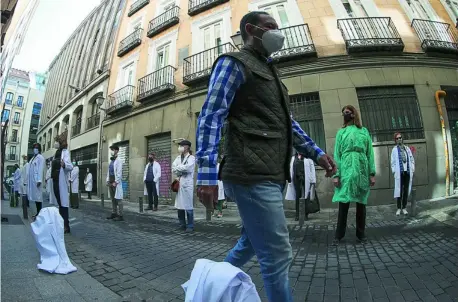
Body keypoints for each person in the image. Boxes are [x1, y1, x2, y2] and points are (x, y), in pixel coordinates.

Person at [195, 11, 336, 302]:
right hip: (250, 173)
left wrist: (317, 153)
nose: (277, 32)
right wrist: (206, 175)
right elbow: (211, 116)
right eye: (270, 26)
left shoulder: (270, 72)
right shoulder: (234, 63)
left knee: (250, 241)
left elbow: (288, 124)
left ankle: (207, 288)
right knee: (277, 254)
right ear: (251, 29)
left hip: (271, 172)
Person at [332, 105, 376, 245]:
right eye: (343, 113)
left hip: (361, 170)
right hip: (345, 170)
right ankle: (339, 235)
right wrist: (336, 175)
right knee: (343, 204)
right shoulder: (341, 132)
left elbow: (370, 153)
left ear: (353, 114)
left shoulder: (363, 131)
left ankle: (361, 234)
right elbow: (337, 155)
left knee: (361, 205)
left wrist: (371, 173)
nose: (345, 114)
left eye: (347, 112)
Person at [50, 137, 73, 234]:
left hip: (61, 181)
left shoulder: (65, 152)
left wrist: (64, 165)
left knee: (63, 204)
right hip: (55, 180)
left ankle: (66, 226)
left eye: (56, 142)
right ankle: (61, 224)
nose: (55, 143)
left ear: (60, 143)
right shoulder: (56, 153)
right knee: (60, 204)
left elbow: (70, 166)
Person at [172, 140, 196, 232]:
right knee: (180, 206)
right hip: (180, 184)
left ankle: (190, 226)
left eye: (182, 145)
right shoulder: (178, 158)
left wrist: (179, 168)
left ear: (187, 147)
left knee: (188, 207)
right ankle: (182, 224)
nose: (180, 147)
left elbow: (189, 168)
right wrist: (181, 168)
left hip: (187, 185)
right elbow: (173, 168)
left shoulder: (191, 158)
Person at [285, 152, 317, 221]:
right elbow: (291, 169)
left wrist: (313, 180)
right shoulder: (293, 158)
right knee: (297, 196)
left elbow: (312, 169)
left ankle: (305, 214)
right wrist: (289, 179)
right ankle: (297, 214)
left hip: (306, 179)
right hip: (296, 180)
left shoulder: (308, 158)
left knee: (305, 196)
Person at [391, 132, 415, 216]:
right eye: (397, 138)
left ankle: (404, 208)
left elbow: (411, 159)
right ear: (395, 140)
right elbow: (393, 162)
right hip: (399, 173)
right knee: (399, 190)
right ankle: (398, 208)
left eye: (400, 137)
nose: (399, 139)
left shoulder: (407, 149)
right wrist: (394, 171)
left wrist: (412, 169)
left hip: (407, 172)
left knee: (405, 190)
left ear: (402, 138)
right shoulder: (394, 150)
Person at [106, 145, 124, 221]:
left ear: (116, 150)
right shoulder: (112, 161)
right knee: (113, 199)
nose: (111, 151)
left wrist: (116, 182)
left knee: (119, 199)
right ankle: (114, 213)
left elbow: (119, 172)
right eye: (110, 150)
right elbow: (109, 171)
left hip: (115, 182)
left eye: (112, 149)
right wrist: (107, 180)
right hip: (110, 181)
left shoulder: (119, 160)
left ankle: (120, 215)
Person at [28, 143, 45, 218]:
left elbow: (41, 169)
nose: (35, 149)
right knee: (35, 197)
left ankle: (39, 213)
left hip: (37, 181)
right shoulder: (33, 158)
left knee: (38, 198)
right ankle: (37, 213)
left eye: (37, 147)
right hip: (32, 181)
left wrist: (39, 180)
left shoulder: (40, 158)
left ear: (39, 149)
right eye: (34, 147)